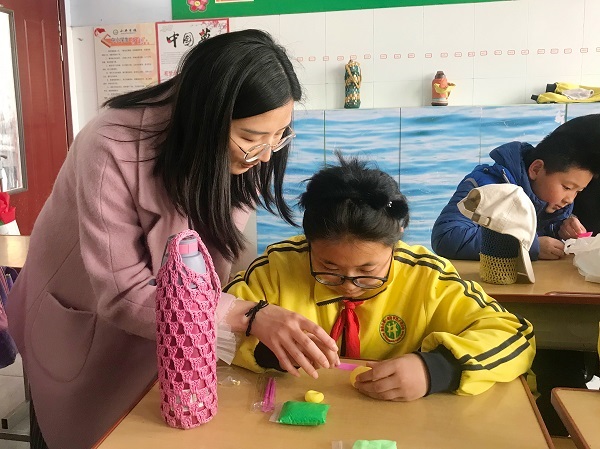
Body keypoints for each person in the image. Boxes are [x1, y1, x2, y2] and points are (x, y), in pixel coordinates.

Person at [6, 30, 339, 449]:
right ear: (203, 118)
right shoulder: (110, 146)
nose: (267, 154)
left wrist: (234, 315)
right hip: (85, 327)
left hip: (170, 334)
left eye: (279, 135)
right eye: (252, 137)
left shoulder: (249, 155)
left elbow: (209, 257)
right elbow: (122, 292)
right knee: (84, 433)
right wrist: (248, 315)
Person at [225, 154, 535, 401]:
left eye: (367, 271)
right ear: (308, 242)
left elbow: (515, 336)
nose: (349, 285)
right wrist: (267, 348)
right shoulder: (276, 269)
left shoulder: (427, 278)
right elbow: (206, 324)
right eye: (328, 268)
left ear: (396, 241)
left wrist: (437, 370)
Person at [431, 114, 600, 261]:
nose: (570, 199)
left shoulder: (548, 201)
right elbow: (446, 238)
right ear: (536, 169)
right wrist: (528, 246)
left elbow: (541, 232)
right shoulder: (486, 185)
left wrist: (560, 229)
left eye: (578, 191)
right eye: (567, 187)